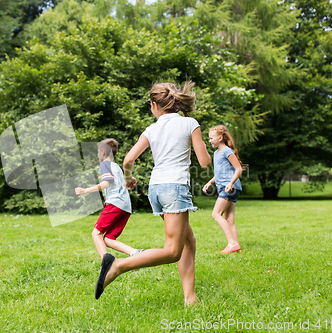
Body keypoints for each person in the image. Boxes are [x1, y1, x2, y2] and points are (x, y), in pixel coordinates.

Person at [94, 81, 211, 305]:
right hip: (174, 188)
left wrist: (128, 180)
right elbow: (204, 162)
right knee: (172, 251)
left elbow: (128, 159)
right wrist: (203, 146)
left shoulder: (152, 129)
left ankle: (191, 298)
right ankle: (118, 265)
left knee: (189, 242)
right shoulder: (189, 123)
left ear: (155, 105)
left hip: (156, 189)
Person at [75, 139, 142, 260]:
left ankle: (106, 262)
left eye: (97, 152)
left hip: (115, 204)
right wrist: (130, 182)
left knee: (96, 234)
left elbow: (106, 183)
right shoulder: (116, 167)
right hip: (126, 207)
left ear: (103, 152)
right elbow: (123, 186)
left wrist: (85, 190)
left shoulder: (105, 164)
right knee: (109, 239)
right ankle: (135, 253)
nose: (97, 155)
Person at [203, 125, 243, 254]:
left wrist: (231, 183)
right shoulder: (216, 153)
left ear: (220, 138)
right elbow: (220, 172)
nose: (210, 140)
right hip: (227, 187)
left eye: (211, 138)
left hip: (230, 187)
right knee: (229, 219)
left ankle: (231, 243)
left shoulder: (227, 151)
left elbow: (238, 169)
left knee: (216, 214)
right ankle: (236, 247)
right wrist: (209, 182)